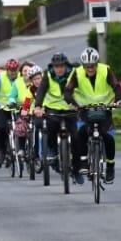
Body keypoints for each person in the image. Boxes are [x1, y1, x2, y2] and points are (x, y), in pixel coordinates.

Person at [64, 47, 121, 183]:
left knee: (108, 137)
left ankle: (110, 167)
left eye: (93, 66)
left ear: (97, 64)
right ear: (83, 65)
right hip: (85, 108)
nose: (90, 69)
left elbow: (116, 86)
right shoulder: (77, 73)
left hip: (104, 108)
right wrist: (72, 102)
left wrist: (118, 100)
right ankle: (83, 162)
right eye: (87, 66)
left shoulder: (105, 70)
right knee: (81, 132)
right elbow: (68, 90)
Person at [31, 52, 78, 182]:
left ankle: (75, 160)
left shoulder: (73, 73)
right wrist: (32, 108)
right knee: (46, 127)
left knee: (75, 135)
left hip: (69, 109)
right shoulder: (28, 90)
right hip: (50, 110)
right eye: (34, 79)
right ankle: (43, 152)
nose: (59, 69)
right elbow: (35, 96)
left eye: (61, 66)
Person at [0, 58, 26, 167]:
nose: (13, 72)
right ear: (7, 70)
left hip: (18, 106)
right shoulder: (1, 77)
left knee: (23, 126)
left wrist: (26, 106)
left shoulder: (21, 78)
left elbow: (28, 92)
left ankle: (23, 149)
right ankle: (2, 150)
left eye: (15, 70)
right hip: (2, 106)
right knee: (2, 127)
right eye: (11, 70)